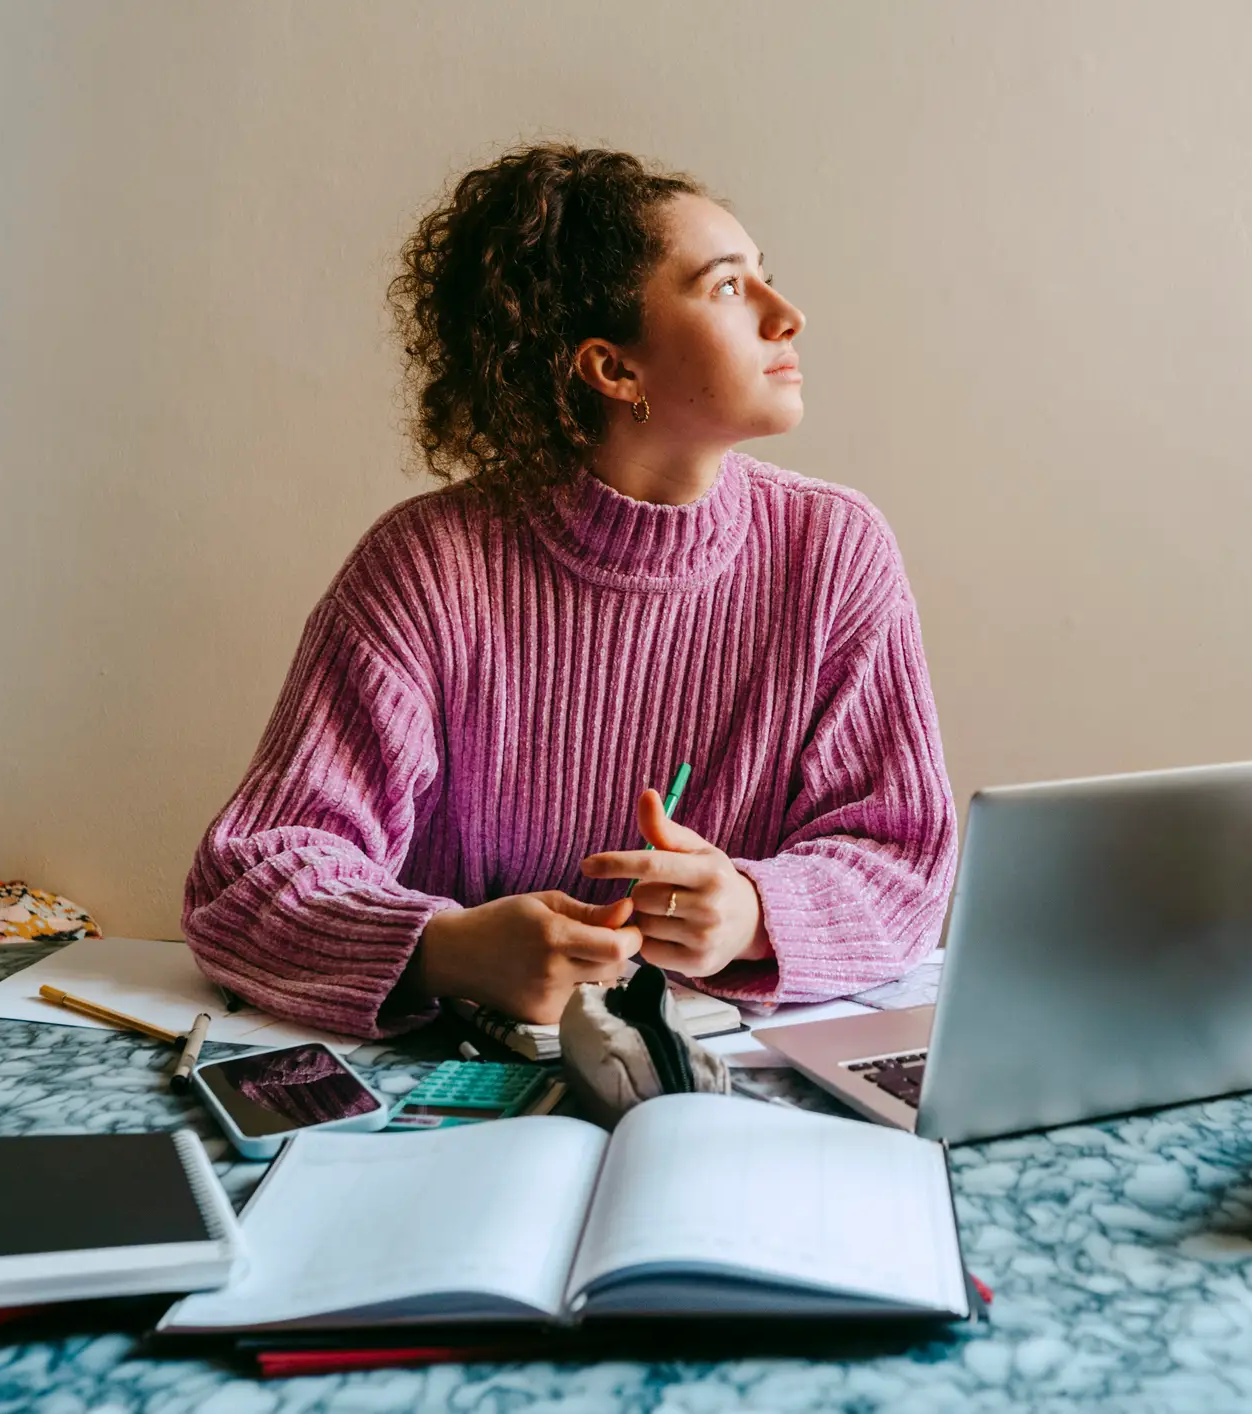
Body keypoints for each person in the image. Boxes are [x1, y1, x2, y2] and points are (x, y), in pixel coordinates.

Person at [182, 144, 958, 1039]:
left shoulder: (832, 551)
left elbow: (903, 862)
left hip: (719, 1085)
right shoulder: (428, 567)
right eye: (726, 286)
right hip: (454, 1079)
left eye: (765, 278)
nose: (787, 316)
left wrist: (751, 912)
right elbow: (245, 881)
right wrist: (445, 949)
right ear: (613, 369)